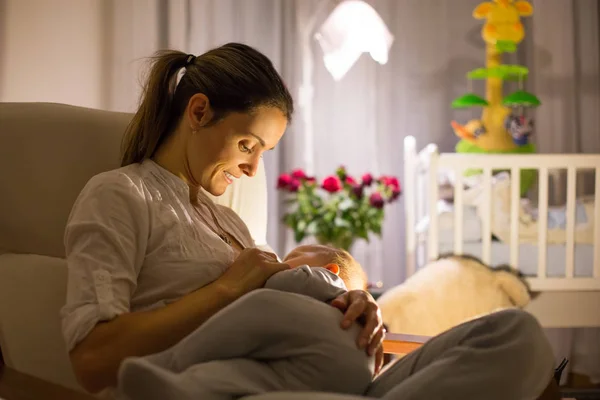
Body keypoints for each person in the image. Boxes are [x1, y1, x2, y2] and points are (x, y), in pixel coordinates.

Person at [61, 42, 559, 400]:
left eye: (264, 152)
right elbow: (92, 361)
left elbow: (306, 273)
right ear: (198, 111)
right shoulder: (120, 194)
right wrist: (226, 289)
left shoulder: (226, 221)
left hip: (329, 372)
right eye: (247, 145)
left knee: (515, 335)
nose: (254, 168)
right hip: (245, 383)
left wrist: (357, 298)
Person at [117, 250, 374, 400]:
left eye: (294, 255)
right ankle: (182, 388)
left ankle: (171, 362)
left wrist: (264, 275)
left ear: (329, 268)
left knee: (261, 303)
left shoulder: (327, 279)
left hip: (337, 347)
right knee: (243, 375)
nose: (281, 260)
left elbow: (284, 283)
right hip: (334, 377)